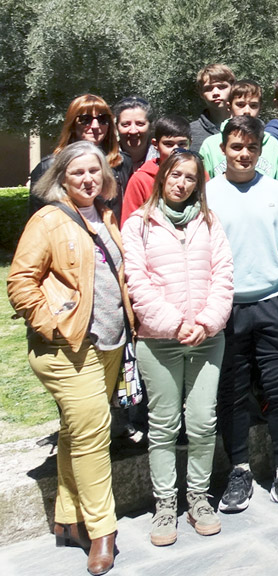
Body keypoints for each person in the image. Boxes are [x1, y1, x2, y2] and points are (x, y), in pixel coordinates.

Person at [8, 141, 133, 575]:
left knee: (75, 432)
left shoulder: (104, 216)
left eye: (94, 171)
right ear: (61, 176)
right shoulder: (48, 219)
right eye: (78, 172)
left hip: (108, 347)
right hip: (67, 349)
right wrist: (54, 324)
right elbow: (21, 281)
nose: (87, 179)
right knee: (94, 435)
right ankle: (103, 530)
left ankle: (69, 520)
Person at [122, 150, 233, 546]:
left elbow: (223, 274)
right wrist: (175, 323)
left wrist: (206, 321)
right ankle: (165, 503)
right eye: (175, 175)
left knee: (203, 422)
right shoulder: (140, 224)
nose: (181, 183)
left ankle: (198, 498)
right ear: (162, 176)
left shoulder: (208, 221)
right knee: (164, 426)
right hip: (160, 340)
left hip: (206, 338)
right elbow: (137, 281)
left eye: (190, 177)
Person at [206, 115, 278, 515]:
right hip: (228, 308)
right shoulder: (209, 195)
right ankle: (239, 470)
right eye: (237, 147)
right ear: (223, 151)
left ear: (261, 150)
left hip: (274, 306)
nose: (244, 154)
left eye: (251, 147)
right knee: (232, 395)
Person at [29, 94, 132, 221]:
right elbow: (38, 221)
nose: (95, 126)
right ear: (72, 124)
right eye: (85, 119)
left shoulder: (122, 162)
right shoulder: (48, 166)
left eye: (103, 119)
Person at [198, 80, 278, 182]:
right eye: (240, 105)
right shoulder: (210, 145)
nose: (247, 111)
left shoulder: (272, 144)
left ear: (260, 108)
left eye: (253, 105)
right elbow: (204, 186)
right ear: (229, 107)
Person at [120, 115, 192, 226]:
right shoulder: (141, 180)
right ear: (155, 144)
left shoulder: (198, 175)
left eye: (182, 144)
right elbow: (129, 224)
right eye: (168, 144)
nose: (176, 150)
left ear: (190, 143)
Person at [190, 63, 235, 152]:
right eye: (208, 89)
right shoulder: (190, 133)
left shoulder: (251, 127)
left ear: (233, 88)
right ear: (201, 93)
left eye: (222, 87)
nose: (215, 93)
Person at [112, 96, 152, 172]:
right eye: (126, 124)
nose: (133, 131)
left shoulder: (163, 161)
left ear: (150, 127)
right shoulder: (104, 161)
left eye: (140, 124)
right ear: (116, 127)